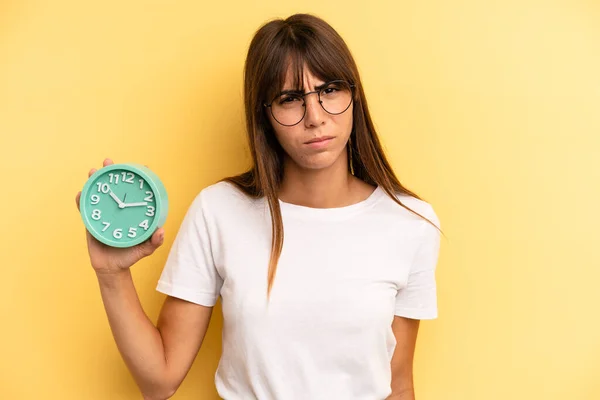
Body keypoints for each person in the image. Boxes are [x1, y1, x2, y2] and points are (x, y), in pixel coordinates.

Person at [75, 13, 442, 400]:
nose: (315, 117)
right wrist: (111, 275)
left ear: (354, 96)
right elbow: (160, 380)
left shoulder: (409, 223)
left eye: (330, 90)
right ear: (264, 114)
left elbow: (397, 385)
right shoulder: (219, 211)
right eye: (290, 99)